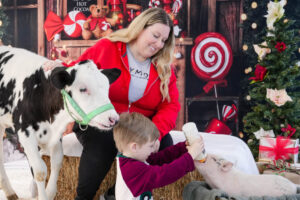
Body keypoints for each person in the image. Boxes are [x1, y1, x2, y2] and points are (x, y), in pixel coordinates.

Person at [44, 7, 181, 200]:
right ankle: (83, 197)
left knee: (165, 145)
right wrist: (60, 67)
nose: (159, 44)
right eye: (155, 36)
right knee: (105, 142)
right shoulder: (108, 47)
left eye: (164, 40)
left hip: (139, 125)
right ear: (140, 28)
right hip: (99, 118)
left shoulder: (164, 67)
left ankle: (114, 194)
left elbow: (171, 106)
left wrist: (155, 132)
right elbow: (80, 70)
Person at [113, 112, 204, 200]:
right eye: (150, 146)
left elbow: (162, 158)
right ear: (134, 147)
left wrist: (183, 147)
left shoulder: (135, 157)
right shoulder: (131, 170)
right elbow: (165, 174)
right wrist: (190, 156)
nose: (153, 149)